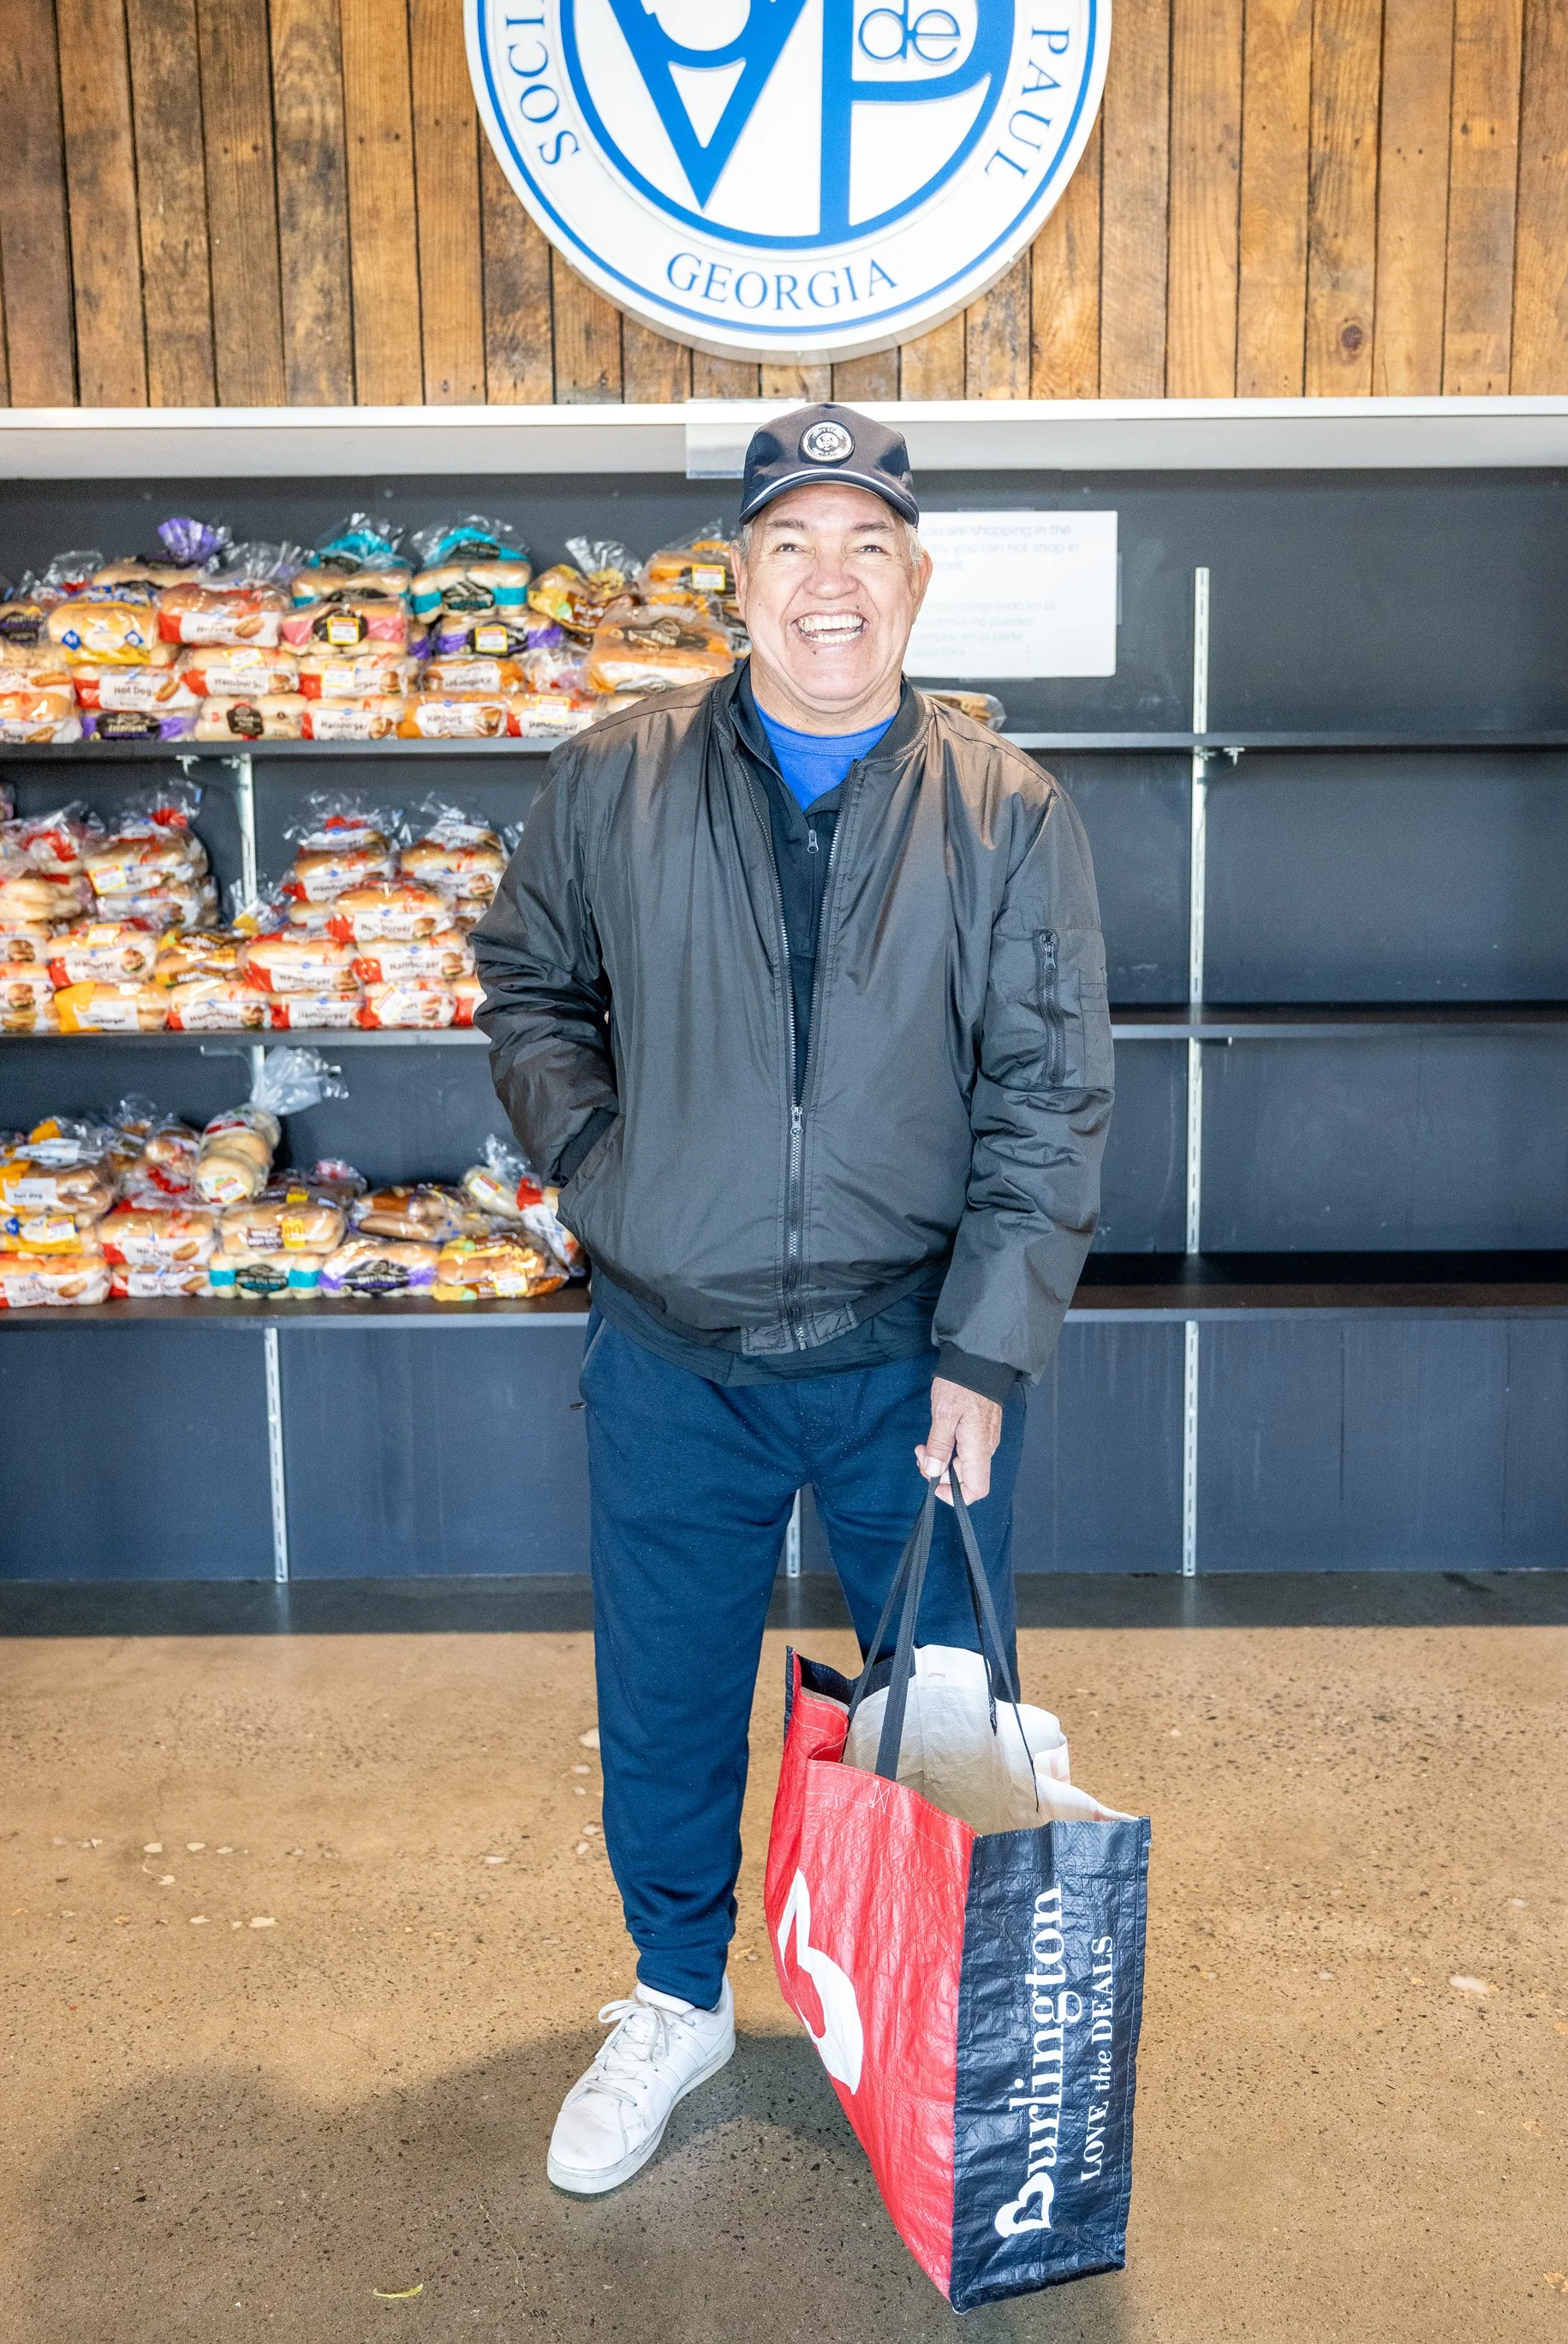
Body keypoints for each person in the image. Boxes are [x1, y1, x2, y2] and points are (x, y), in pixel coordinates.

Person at [473, 404, 1113, 2196]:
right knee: (667, 1692)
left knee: (938, 1700)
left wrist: (988, 1345)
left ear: (914, 582)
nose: (828, 584)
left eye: (865, 549)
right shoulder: (615, 776)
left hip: (908, 1355)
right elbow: (524, 974)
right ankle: (675, 1998)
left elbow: (1048, 1091)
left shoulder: (1004, 811)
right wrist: (604, 1170)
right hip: (672, 1349)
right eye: (790, 548)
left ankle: (913, 2016)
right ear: (738, 581)